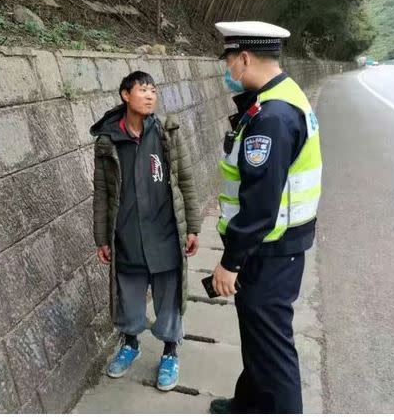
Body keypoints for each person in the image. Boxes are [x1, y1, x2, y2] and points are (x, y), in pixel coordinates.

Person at [208, 21, 323, 414]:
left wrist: (230, 261)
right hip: (274, 246)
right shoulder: (281, 96)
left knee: (273, 351)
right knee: (257, 336)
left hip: (269, 250)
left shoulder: (272, 116)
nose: (227, 70)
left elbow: (259, 205)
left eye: (228, 60)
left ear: (243, 58)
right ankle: (247, 405)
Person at [90, 71, 201, 391]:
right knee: (128, 297)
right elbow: (102, 194)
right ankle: (130, 344)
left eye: (154, 90)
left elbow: (186, 180)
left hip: (165, 232)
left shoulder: (167, 132)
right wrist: (101, 237)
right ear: (126, 95)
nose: (150, 96)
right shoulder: (108, 140)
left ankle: (170, 351)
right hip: (127, 235)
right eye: (143, 90)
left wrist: (192, 226)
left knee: (169, 294)